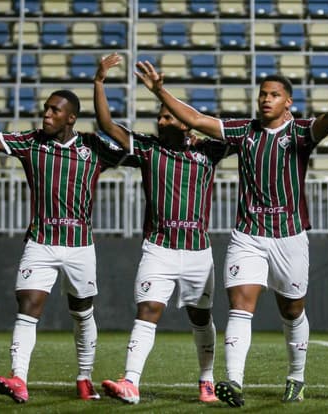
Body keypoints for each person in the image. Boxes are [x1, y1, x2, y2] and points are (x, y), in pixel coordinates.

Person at [135, 58, 328, 407]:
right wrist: (160, 90)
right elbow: (194, 120)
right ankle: (233, 381)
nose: (266, 99)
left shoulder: (298, 132)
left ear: (288, 103)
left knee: (292, 309)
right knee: (240, 305)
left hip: (289, 236)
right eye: (263, 94)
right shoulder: (244, 130)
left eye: (275, 95)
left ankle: (296, 377)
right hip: (248, 235)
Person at [0, 80, 127, 404]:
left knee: (82, 313)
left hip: (80, 246)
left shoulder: (94, 149)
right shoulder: (31, 143)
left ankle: (84, 378)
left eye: (54, 110)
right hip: (41, 241)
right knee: (28, 307)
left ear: (70, 118)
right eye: (46, 109)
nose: (46, 115)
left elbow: (136, 153)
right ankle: (19, 378)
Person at [92, 53, 231, 405]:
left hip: (198, 251)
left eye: (169, 115)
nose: (162, 119)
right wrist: (99, 83)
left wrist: (162, 92)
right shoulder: (149, 149)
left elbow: (234, 132)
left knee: (201, 317)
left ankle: (206, 381)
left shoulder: (210, 151)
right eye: (159, 116)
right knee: (148, 310)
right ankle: (131, 382)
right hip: (159, 248)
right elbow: (108, 125)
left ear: (186, 123)